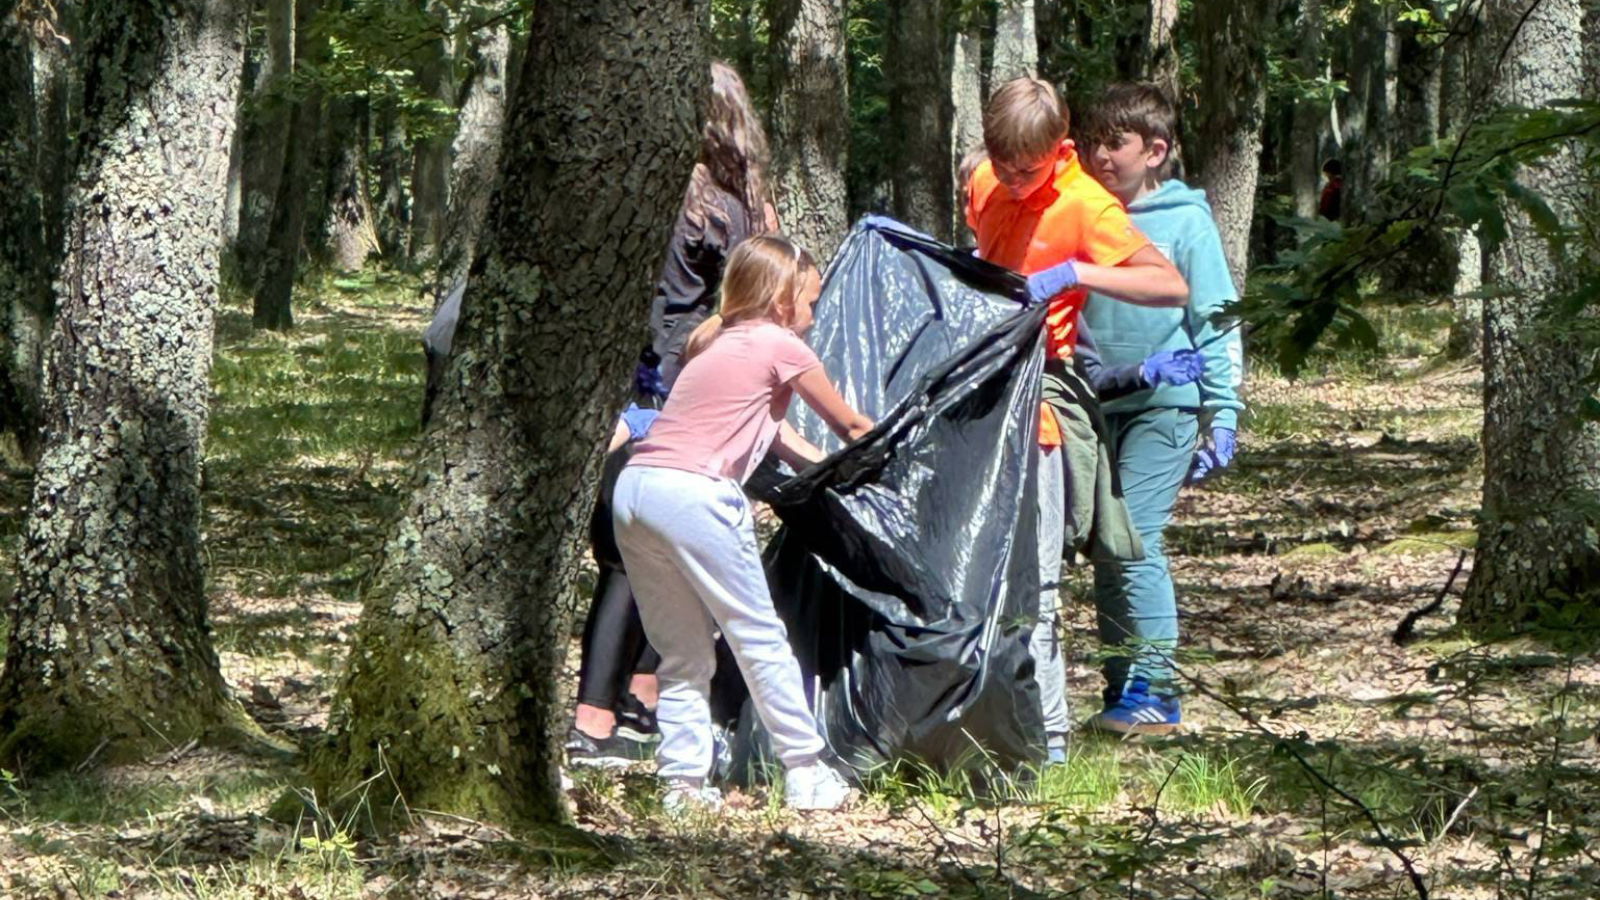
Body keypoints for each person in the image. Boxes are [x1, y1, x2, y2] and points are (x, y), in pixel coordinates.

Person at [964, 76, 1189, 764]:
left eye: (1025, 170)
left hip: (1047, 400)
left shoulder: (1088, 206)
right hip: (983, 389)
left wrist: (1078, 276)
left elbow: (1168, 284)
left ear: (1059, 150)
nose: (1011, 178)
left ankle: (1050, 740)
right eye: (1001, 164)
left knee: (1040, 575)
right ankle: (978, 714)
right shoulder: (982, 181)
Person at [613, 235, 874, 813]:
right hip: (696, 492)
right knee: (760, 638)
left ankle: (682, 785)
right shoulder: (781, 344)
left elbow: (780, 439)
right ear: (782, 301)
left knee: (681, 652)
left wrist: (828, 472)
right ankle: (806, 772)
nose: (811, 317)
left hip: (636, 492)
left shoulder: (717, 344)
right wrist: (901, 453)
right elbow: (852, 426)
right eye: (809, 302)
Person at [1079, 82, 1245, 735]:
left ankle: (1159, 691)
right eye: (1092, 142)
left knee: (1137, 538)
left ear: (1156, 150)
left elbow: (1216, 317)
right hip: (1100, 401)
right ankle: (1123, 686)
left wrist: (1223, 411)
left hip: (1165, 404)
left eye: (1113, 143)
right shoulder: (1086, 215)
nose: (1099, 155)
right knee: (1105, 544)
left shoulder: (1185, 222)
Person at [640, 61, 780, 399]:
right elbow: (750, 303)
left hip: (665, 362)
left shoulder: (665, 188)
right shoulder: (726, 203)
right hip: (677, 365)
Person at [564, 406, 665, 768]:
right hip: (636, 424)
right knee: (627, 565)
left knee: (659, 567)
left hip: (653, 426)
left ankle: (636, 704)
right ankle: (598, 717)